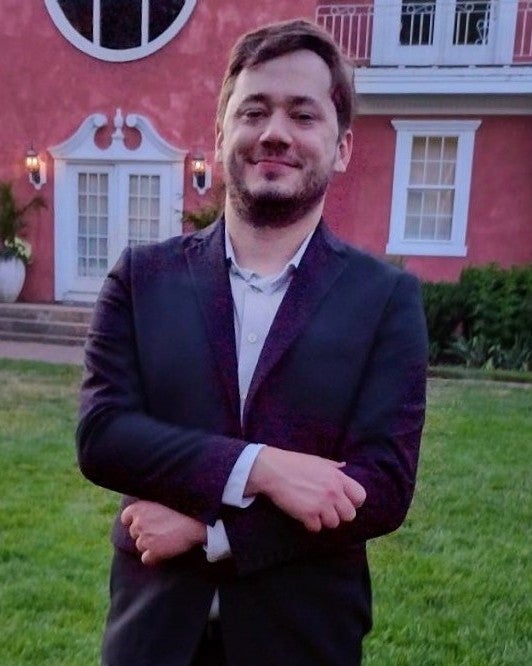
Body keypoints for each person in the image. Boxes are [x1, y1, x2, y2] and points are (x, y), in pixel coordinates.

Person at [77, 18, 428, 666]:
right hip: (152, 640)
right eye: (254, 111)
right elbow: (104, 436)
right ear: (220, 136)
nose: (275, 133)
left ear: (342, 145)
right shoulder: (142, 276)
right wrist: (263, 468)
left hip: (302, 639)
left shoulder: (385, 300)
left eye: (303, 114)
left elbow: (380, 487)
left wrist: (211, 530)